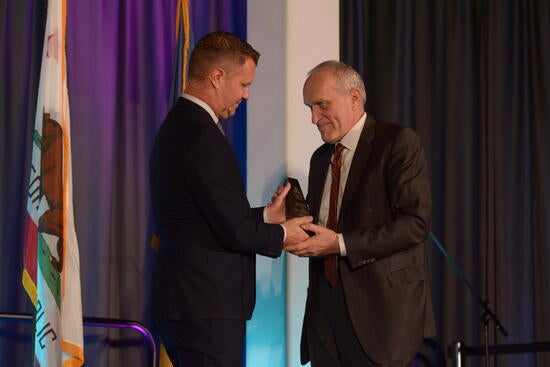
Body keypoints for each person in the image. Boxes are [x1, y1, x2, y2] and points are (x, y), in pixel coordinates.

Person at [149, 31, 311, 367]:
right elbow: (233, 231)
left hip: (188, 304)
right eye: (244, 84)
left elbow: (205, 218)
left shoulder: (180, 125)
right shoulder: (201, 136)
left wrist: (265, 216)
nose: (247, 95)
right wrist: (284, 234)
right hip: (205, 308)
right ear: (217, 77)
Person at [285, 60, 436, 367]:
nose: (314, 118)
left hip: (378, 313)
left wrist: (340, 244)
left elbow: (414, 225)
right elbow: (325, 224)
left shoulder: (396, 143)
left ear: (354, 97)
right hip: (323, 310)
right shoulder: (320, 157)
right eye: (309, 108)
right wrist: (293, 224)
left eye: (321, 105)